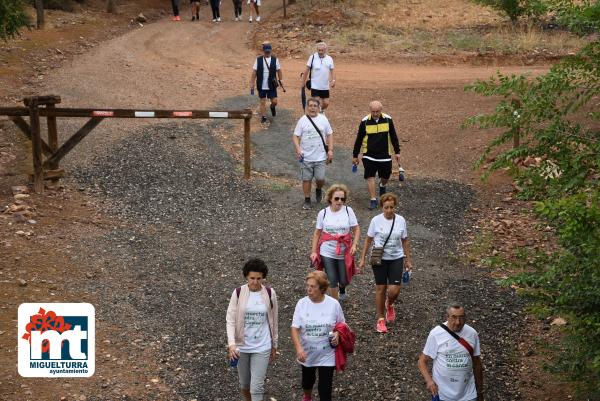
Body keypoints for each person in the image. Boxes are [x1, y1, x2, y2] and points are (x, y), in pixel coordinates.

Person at [226, 258, 279, 401]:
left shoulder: (270, 293)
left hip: (262, 345)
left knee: (257, 386)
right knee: (244, 383)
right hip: (241, 347)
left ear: (263, 277)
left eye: (259, 278)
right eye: (252, 278)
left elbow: (274, 320)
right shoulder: (237, 293)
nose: (255, 282)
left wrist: (274, 344)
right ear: (246, 277)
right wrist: (231, 344)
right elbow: (230, 320)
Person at [359, 193, 412, 333]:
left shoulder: (401, 220)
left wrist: (408, 259)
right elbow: (368, 240)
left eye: (391, 207)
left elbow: (405, 240)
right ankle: (380, 319)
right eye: (386, 207)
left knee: (394, 290)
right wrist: (362, 258)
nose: (389, 210)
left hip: (396, 258)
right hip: (379, 258)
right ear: (382, 207)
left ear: (395, 207)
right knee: (381, 288)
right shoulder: (375, 221)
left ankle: (390, 303)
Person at [291, 271, 345, 401]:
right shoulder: (302, 304)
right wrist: (299, 349)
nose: (308, 289)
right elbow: (294, 328)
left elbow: (342, 324)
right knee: (307, 382)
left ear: (322, 288)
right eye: (307, 286)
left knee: (325, 389)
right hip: (307, 353)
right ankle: (307, 396)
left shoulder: (333, 304)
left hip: (327, 354)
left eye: (312, 287)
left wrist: (337, 333)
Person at [418, 303, 484, 401]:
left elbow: (477, 362)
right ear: (447, 317)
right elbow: (422, 361)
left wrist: (479, 391)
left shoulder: (472, 333)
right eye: (454, 317)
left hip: (468, 394)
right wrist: (429, 381)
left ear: (465, 318)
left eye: (461, 318)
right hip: (442, 393)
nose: (458, 322)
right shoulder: (436, 333)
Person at [310, 184, 360, 301]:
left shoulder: (348, 211)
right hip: (327, 250)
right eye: (336, 198)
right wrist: (314, 252)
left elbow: (356, 229)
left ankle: (342, 288)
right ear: (330, 198)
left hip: (344, 250)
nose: (339, 201)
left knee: (343, 280)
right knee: (332, 279)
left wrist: (354, 244)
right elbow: (317, 233)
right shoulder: (323, 213)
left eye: (342, 199)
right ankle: (335, 305)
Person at [352, 101, 402, 210]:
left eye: (377, 111)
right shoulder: (365, 121)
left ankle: (382, 185)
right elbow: (359, 139)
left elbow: (393, 136)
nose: (375, 114)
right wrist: (355, 155)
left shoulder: (388, 119)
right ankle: (373, 199)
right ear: (370, 111)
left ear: (381, 110)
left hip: (385, 154)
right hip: (369, 155)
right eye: (373, 111)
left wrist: (397, 151)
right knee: (370, 176)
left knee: (386, 176)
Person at [292, 97, 334, 210]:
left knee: (320, 178)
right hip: (306, 157)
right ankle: (307, 199)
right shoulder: (302, 120)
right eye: (310, 106)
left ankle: (319, 189)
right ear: (307, 107)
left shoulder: (323, 119)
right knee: (306, 179)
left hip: (320, 156)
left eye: (315, 106)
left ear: (319, 108)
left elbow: (330, 134)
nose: (312, 108)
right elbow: (295, 136)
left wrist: (330, 150)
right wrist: (298, 149)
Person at [250, 42, 283, 125]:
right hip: (261, 84)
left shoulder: (275, 59)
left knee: (275, 101)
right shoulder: (258, 60)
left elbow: (279, 70)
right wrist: (252, 83)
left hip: (271, 84)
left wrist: (281, 80)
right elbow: (254, 72)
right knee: (262, 101)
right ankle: (264, 117)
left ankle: (272, 107)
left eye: (268, 51)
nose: (267, 53)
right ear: (263, 51)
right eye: (266, 51)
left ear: (271, 51)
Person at [301, 42, 336, 112]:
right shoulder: (312, 57)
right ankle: (318, 115)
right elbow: (306, 70)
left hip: (325, 86)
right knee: (317, 102)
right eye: (319, 50)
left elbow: (332, 71)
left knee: (326, 103)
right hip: (315, 85)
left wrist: (333, 80)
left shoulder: (329, 59)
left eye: (322, 50)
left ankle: (320, 112)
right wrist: (303, 82)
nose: (320, 52)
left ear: (325, 50)